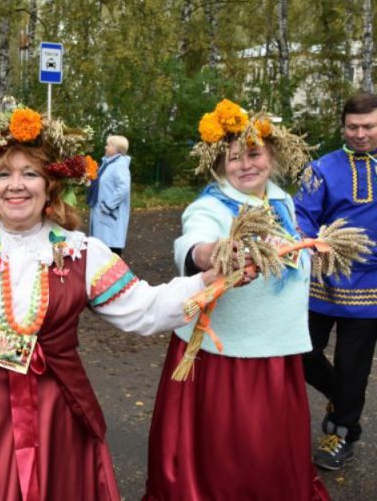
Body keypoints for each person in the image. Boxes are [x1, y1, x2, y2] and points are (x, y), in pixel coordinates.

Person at [0, 99, 219, 500]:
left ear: (50, 184)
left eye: (29, 173)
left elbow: (144, 309)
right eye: (3, 174)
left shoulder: (82, 251)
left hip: (58, 421)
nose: (16, 185)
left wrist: (208, 280)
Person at [144, 99, 329, 500]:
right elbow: (192, 244)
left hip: (275, 345)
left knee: (269, 440)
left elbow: (286, 247)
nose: (245, 164)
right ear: (219, 165)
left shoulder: (281, 199)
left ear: (271, 156)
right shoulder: (211, 205)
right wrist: (210, 253)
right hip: (224, 351)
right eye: (233, 158)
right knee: (229, 441)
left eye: (254, 154)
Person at [294, 92, 377, 471]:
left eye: (368, 127)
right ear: (343, 126)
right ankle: (338, 396)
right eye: (352, 127)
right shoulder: (321, 168)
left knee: (352, 365)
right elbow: (302, 217)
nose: (359, 134)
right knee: (301, 353)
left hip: (372, 287)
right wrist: (309, 244)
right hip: (323, 280)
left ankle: (342, 432)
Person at [88, 134, 131, 255]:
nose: (105, 147)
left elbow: (124, 187)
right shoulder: (108, 164)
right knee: (100, 250)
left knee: (111, 253)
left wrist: (108, 205)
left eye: (108, 145)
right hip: (102, 213)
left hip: (110, 214)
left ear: (116, 148)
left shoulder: (119, 165)